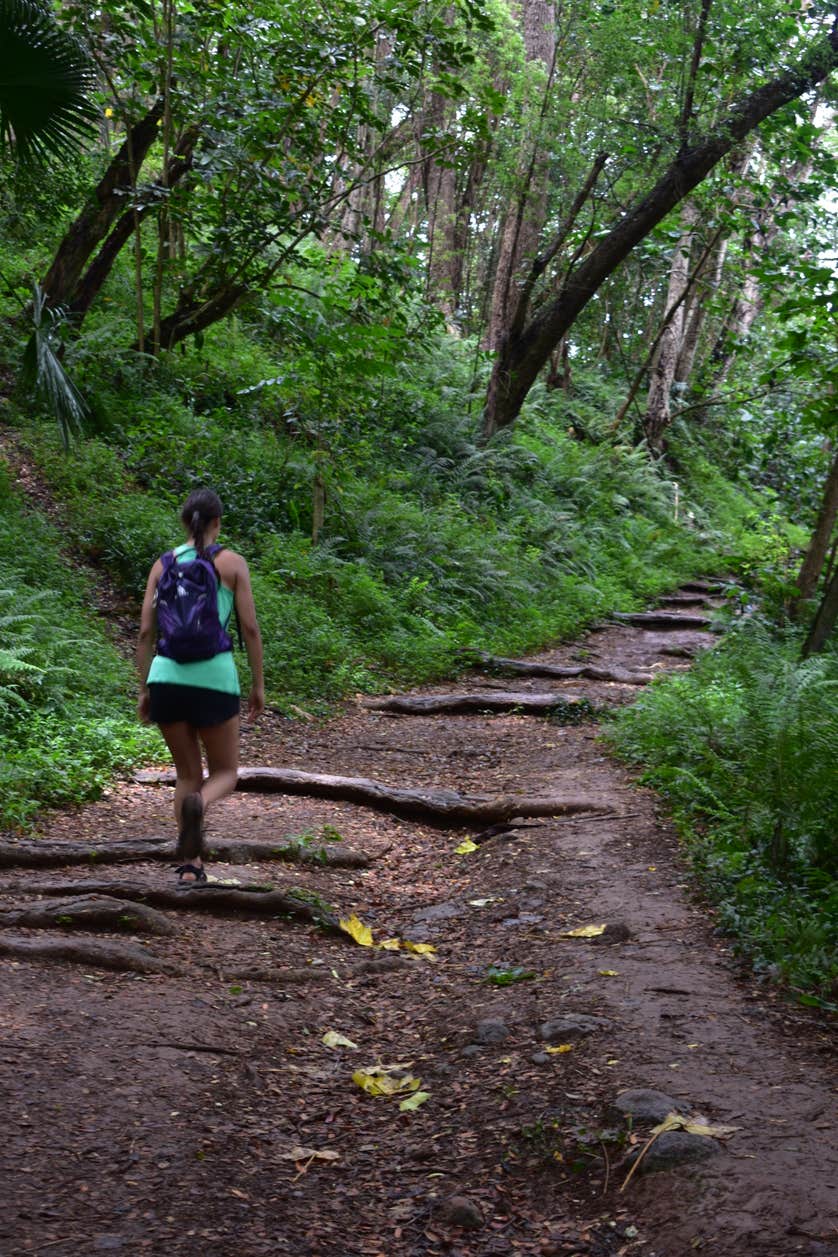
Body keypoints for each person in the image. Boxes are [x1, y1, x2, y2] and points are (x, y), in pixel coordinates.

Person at [136, 488, 265, 885]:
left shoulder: (163, 564)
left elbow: (145, 631)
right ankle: (200, 804)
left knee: (187, 772)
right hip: (214, 679)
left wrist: (144, 689)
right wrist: (258, 685)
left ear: (183, 522)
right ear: (217, 522)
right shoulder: (232, 564)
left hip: (166, 679)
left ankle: (191, 867)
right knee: (225, 771)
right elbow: (250, 629)